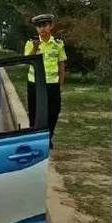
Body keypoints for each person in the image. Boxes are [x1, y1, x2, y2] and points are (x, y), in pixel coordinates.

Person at [24, 14, 66, 148]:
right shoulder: (31, 42)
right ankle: (35, 138)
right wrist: (36, 47)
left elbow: (61, 64)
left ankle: (48, 137)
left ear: (51, 26)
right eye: (39, 26)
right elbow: (27, 61)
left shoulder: (58, 43)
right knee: (34, 112)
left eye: (45, 25)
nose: (42, 29)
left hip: (52, 83)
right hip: (35, 83)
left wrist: (61, 83)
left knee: (54, 112)